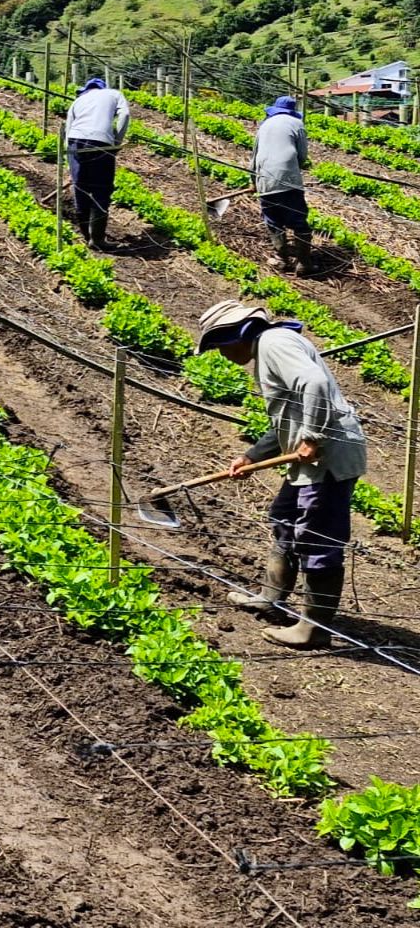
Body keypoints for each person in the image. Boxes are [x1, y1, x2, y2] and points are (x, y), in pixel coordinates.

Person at [196, 299, 366, 648]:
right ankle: (271, 597)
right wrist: (251, 455)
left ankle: (313, 630)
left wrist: (313, 437)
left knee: (317, 537)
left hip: (327, 458)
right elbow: (286, 417)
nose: (222, 355)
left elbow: (315, 384)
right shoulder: (271, 346)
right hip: (311, 457)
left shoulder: (274, 344)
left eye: (219, 347)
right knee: (285, 518)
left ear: (236, 336)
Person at [64, 76, 130, 250]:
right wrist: (117, 140)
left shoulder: (78, 101)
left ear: (86, 89)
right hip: (101, 143)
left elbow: (68, 129)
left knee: (80, 187)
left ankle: (87, 236)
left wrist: (70, 158)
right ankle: (98, 239)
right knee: (101, 188)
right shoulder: (114, 94)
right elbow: (125, 114)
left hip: (75, 142)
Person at [252, 95, 314, 275]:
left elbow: (254, 156)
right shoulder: (297, 124)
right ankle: (304, 264)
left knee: (273, 220)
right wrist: (293, 171)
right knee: (298, 220)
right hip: (289, 180)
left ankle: (282, 259)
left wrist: (254, 180)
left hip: (264, 178)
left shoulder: (264, 125)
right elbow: (302, 156)